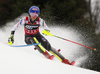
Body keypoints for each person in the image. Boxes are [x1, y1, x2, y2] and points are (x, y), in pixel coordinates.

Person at [8, 6, 75, 65]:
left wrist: (46, 31)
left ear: (38, 14)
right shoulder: (24, 20)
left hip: (38, 35)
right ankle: (46, 54)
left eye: (36, 14)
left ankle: (65, 61)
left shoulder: (40, 21)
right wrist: (11, 36)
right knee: (34, 40)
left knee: (48, 47)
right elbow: (14, 27)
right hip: (28, 37)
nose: (34, 16)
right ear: (29, 13)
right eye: (32, 13)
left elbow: (47, 28)